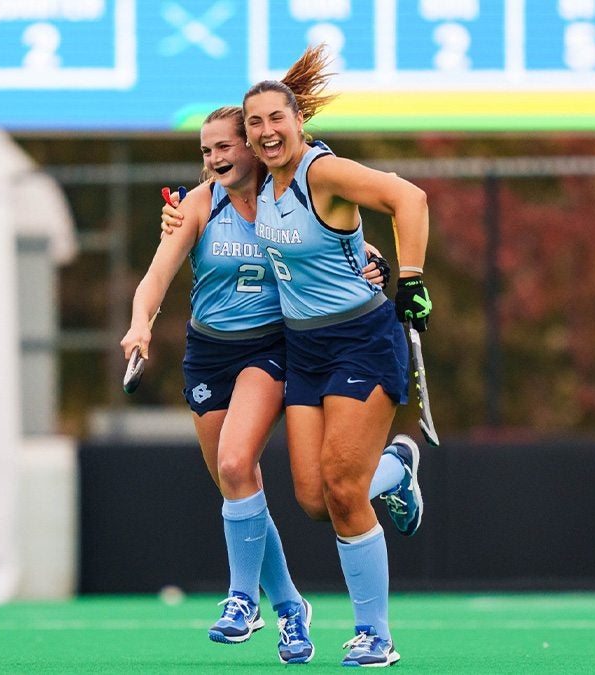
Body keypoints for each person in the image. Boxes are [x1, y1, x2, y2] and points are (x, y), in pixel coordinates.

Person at [122, 67, 415, 667]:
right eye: (209, 150)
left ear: (270, 138)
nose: (218, 157)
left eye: (227, 145)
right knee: (277, 492)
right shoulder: (207, 203)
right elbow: (158, 273)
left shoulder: (300, 182)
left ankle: (263, 604)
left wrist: (393, 270)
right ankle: (290, 610)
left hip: (290, 348)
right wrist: (140, 322)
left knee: (249, 465)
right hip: (232, 350)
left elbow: (358, 232)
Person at [237, 44, 434, 667]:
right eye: (255, 123)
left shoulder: (324, 173)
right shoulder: (264, 189)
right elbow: (329, 244)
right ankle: (398, 468)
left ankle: (375, 635)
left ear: (300, 123)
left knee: (346, 488)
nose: (267, 132)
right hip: (305, 349)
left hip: (361, 341)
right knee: (314, 500)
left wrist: (411, 279)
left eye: (277, 119)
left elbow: (412, 198)